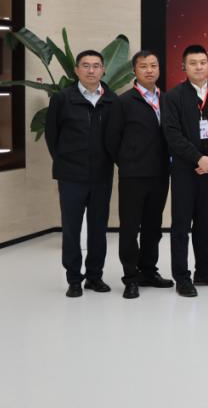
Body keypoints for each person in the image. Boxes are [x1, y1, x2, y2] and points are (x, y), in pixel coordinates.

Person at [161, 44, 208, 298]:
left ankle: (204, 270)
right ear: (184, 66)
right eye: (193, 63)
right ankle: (182, 276)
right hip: (184, 170)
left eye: (202, 62)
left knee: (204, 221)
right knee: (181, 224)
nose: (199, 67)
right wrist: (197, 159)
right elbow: (172, 134)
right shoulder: (172, 97)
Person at [45, 49, 117, 298]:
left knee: (98, 229)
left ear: (103, 70)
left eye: (96, 66)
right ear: (76, 70)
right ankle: (74, 279)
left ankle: (95, 277)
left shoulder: (112, 100)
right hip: (71, 177)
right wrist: (65, 162)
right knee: (71, 229)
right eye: (85, 66)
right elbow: (52, 136)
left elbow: (115, 137)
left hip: (102, 176)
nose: (91, 70)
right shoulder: (62, 98)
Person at [105, 49, 174, 299]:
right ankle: (130, 277)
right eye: (143, 66)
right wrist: (127, 161)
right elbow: (112, 140)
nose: (149, 70)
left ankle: (149, 271)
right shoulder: (123, 102)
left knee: (153, 227)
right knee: (130, 227)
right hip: (133, 175)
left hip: (160, 174)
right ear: (134, 70)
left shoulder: (167, 100)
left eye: (153, 65)